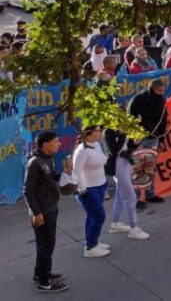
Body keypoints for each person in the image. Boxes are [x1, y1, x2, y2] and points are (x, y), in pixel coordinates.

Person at [24, 131, 74, 293]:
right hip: (42, 211)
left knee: (45, 244)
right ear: (45, 144)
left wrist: (62, 174)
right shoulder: (35, 163)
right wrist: (36, 213)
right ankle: (44, 283)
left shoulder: (48, 159)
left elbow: (50, 178)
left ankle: (40, 273)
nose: (59, 144)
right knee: (46, 245)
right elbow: (27, 190)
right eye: (56, 141)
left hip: (50, 207)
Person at [128, 77, 169, 207]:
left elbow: (163, 121)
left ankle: (150, 194)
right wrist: (133, 141)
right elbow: (130, 120)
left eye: (163, 91)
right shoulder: (138, 100)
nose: (161, 93)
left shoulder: (161, 100)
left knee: (150, 168)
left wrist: (162, 139)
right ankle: (136, 198)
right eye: (159, 91)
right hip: (139, 139)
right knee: (139, 168)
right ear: (152, 89)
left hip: (153, 139)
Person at [72, 125, 111, 258]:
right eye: (98, 131)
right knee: (99, 216)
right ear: (88, 133)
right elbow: (76, 172)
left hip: (100, 185)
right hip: (87, 189)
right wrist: (83, 190)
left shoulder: (97, 145)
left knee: (92, 215)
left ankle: (92, 241)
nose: (100, 133)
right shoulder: (82, 150)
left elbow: (100, 161)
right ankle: (90, 248)